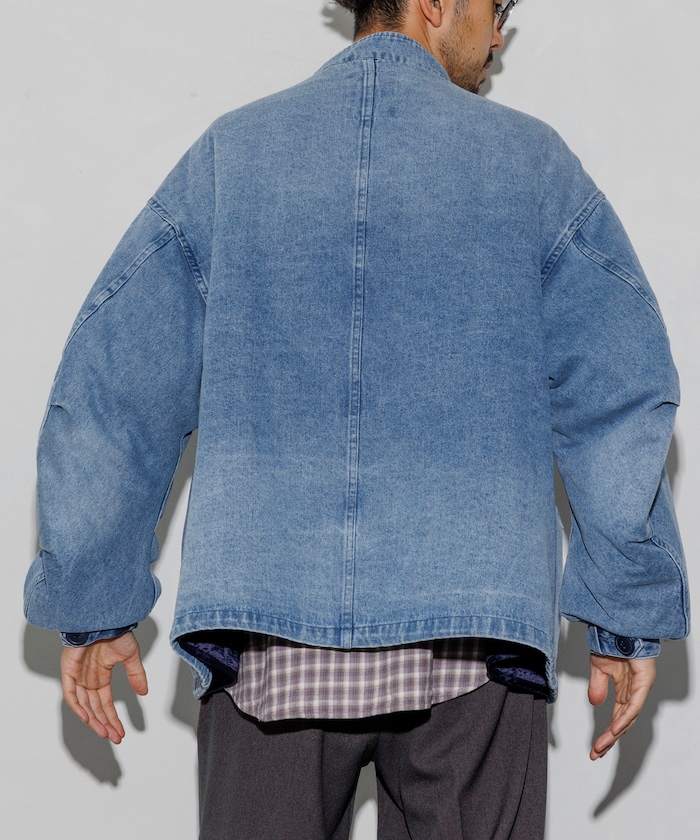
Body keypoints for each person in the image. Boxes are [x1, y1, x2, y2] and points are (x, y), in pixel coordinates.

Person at [24, 0, 688, 837]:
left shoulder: (234, 154)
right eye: (497, 8)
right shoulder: (531, 163)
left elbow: (113, 386)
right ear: (436, 2)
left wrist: (95, 597)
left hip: (269, 638)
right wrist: (626, 612)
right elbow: (620, 393)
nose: (499, 35)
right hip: (473, 645)